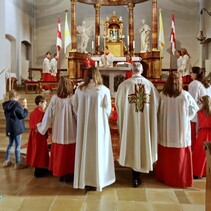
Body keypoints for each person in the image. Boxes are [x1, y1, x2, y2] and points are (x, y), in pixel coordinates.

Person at [115, 62, 159, 187]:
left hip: (130, 122)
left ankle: (134, 173)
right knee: (143, 143)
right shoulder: (150, 85)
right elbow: (156, 104)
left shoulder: (124, 85)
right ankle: (138, 174)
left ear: (131, 70)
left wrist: (124, 116)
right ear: (142, 70)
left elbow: (118, 104)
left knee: (132, 142)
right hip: (145, 122)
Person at [73, 67, 115, 192]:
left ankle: (84, 179)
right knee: (98, 150)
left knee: (84, 150)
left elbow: (75, 107)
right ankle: (99, 179)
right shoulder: (104, 90)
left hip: (84, 125)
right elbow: (108, 110)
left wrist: (82, 117)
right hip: (99, 126)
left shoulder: (80, 90)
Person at [156, 72, 199, 187]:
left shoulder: (162, 95)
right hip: (180, 129)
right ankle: (180, 178)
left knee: (166, 153)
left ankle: (165, 176)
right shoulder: (185, 95)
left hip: (166, 129)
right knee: (180, 155)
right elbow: (195, 109)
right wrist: (187, 118)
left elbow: (157, 111)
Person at [37, 76, 76, 182]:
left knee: (60, 154)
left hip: (58, 131)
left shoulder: (55, 98)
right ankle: (69, 174)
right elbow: (77, 115)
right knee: (69, 154)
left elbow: (48, 115)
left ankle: (60, 174)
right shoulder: (73, 98)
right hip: (71, 131)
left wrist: (42, 127)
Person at [2, 90, 28, 169]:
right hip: (17, 128)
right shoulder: (17, 105)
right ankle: (17, 163)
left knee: (10, 144)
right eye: (17, 98)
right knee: (17, 146)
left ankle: (6, 161)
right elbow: (22, 115)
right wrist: (25, 109)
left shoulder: (5, 105)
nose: (18, 99)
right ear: (15, 97)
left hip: (10, 128)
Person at [25, 95, 49, 178]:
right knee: (40, 152)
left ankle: (38, 168)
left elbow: (31, 125)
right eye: (45, 103)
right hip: (40, 136)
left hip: (33, 135)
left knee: (35, 151)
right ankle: (39, 170)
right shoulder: (42, 113)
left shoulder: (32, 113)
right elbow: (44, 125)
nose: (46, 105)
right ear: (40, 103)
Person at [188, 66, 211, 151]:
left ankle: (195, 153)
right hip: (208, 113)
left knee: (194, 137)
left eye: (191, 73)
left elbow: (192, 101)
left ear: (195, 74)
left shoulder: (194, 84)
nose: (190, 74)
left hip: (197, 114)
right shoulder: (207, 84)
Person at [192, 95, 211, 179]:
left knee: (199, 153)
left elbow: (197, 125)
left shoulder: (199, 112)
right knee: (207, 154)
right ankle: (206, 172)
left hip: (202, 133)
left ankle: (197, 172)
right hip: (210, 133)